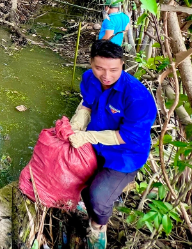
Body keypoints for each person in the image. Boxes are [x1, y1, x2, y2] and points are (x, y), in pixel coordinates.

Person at [68, 40, 156, 249]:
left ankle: (99, 229)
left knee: (98, 198)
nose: (106, 76)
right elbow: (87, 103)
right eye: (99, 68)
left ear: (123, 65)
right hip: (98, 145)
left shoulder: (137, 97)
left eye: (114, 70)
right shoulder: (89, 78)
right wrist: (79, 120)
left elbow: (128, 136)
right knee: (78, 179)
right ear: (90, 63)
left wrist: (88, 137)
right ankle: (89, 205)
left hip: (125, 154)